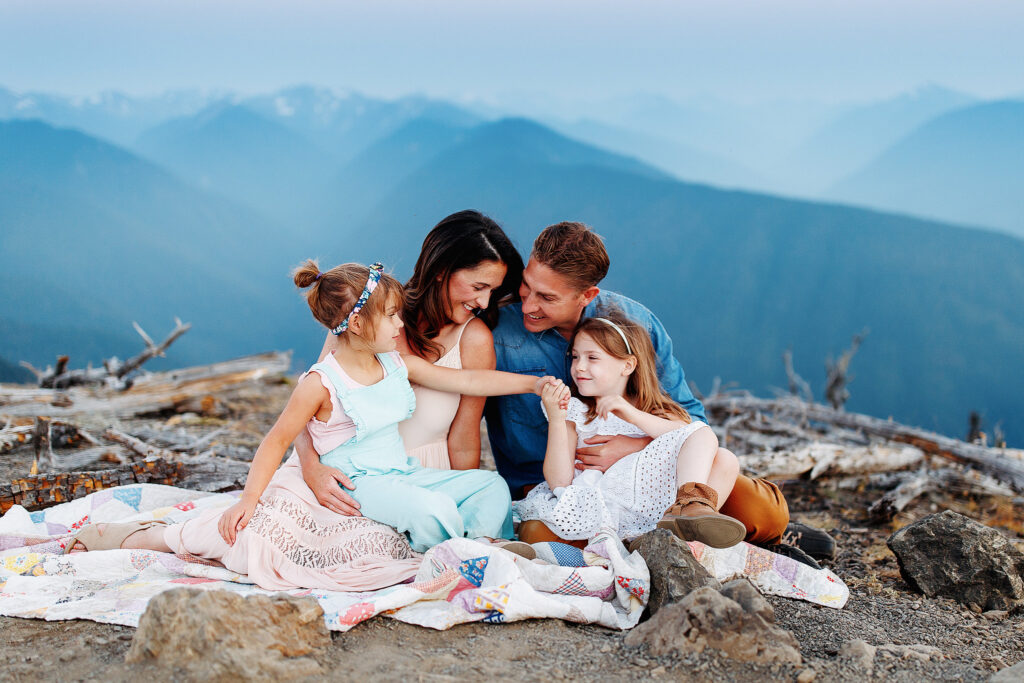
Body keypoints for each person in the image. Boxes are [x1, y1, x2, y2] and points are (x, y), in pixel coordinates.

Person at [65, 260, 558, 588]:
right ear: (359, 324)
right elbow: (275, 441)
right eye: (391, 317)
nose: (400, 325)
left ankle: (484, 547)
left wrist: (533, 385)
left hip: (401, 471)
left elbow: (471, 380)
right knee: (430, 510)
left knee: (489, 488)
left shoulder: (396, 364)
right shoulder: (321, 384)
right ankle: (466, 561)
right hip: (357, 483)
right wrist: (248, 501)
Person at [485, 221, 803, 552]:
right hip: (560, 491)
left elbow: (692, 422)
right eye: (526, 286)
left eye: (547, 297)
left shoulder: (637, 324)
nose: (527, 305)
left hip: (651, 478)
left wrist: (633, 446)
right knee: (540, 536)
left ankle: (728, 525)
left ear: (587, 295)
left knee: (764, 512)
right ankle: (677, 541)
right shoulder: (496, 329)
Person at [296, 210, 525, 517]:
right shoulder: (367, 317)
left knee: (479, 497)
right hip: (348, 478)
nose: (484, 303)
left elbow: (464, 438)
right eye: (478, 287)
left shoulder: (474, 340)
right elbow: (306, 405)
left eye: (493, 292)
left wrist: (465, 502)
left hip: (426, 479)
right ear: (442, 269)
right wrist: (311, 469)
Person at [516, 313, 748, 548]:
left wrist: (630, 413)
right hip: (602, 502)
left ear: (627, 365)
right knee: (536, 531)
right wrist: (556, 419)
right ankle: (670, 536)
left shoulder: (652, 409)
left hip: (652, 503)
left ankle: (692, 509)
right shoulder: (575, 411)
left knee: (724, 457)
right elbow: (559, 482)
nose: (579, 367)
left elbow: (690, 435)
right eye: (575, 357)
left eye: (592, 358)